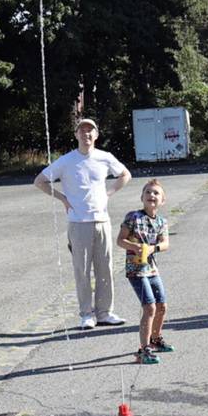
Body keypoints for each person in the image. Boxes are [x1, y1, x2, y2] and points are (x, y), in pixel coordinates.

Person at [33, 118, 130, 329]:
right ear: (76, 135)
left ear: (96, 135)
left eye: (90, 131)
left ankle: (105, 312)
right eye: (82, 131)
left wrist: (109, 193)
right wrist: (62, 199)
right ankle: (87, 314)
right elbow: (40, 181)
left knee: (105, 268)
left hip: (102, 220)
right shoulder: (66, 161)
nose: (86, 134)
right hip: (78, 223)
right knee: (82, 270)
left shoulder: (105, 158)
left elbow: (125, 174)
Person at [119, 180, 172, 364]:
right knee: (149, 307)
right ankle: (143, 350)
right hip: (136, 270)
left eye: (156, 193)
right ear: (142, 197)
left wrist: (152, 249)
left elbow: (165, 244)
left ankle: (155, 339)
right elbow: (120, 240)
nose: (152, 195)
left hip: (152, 269)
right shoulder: (133, 217)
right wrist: (135, 247)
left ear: (162, 201)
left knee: (162, 306)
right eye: (148, 192)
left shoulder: (161, 221)